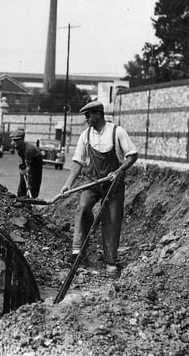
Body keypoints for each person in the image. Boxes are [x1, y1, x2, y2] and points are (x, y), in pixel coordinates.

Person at [59, 100, 138, 277]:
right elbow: (78, 161)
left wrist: (118, 171)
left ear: (98, 114)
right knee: (83, 207)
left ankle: (110, 261)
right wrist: (68, 184)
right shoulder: (85, 136)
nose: (86, 119)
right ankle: (78, 251)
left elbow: (132, 156)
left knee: (111, 218)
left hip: (113, 183)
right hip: (92, 180)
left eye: (88, 115)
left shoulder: (117, 132)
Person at [9, 128, 43, 198]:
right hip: (25, 158)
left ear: (22, 139)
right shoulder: (14, 144)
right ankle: (21, 195)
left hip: (36, 161)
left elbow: (29, 167)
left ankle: (32, 197)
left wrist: (27, 175)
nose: (14, 142)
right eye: (13, 140)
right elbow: (20, 156)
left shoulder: (29, 150)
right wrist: (21, 165)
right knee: (22, 179)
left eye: (17, 140)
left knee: (33, 179)